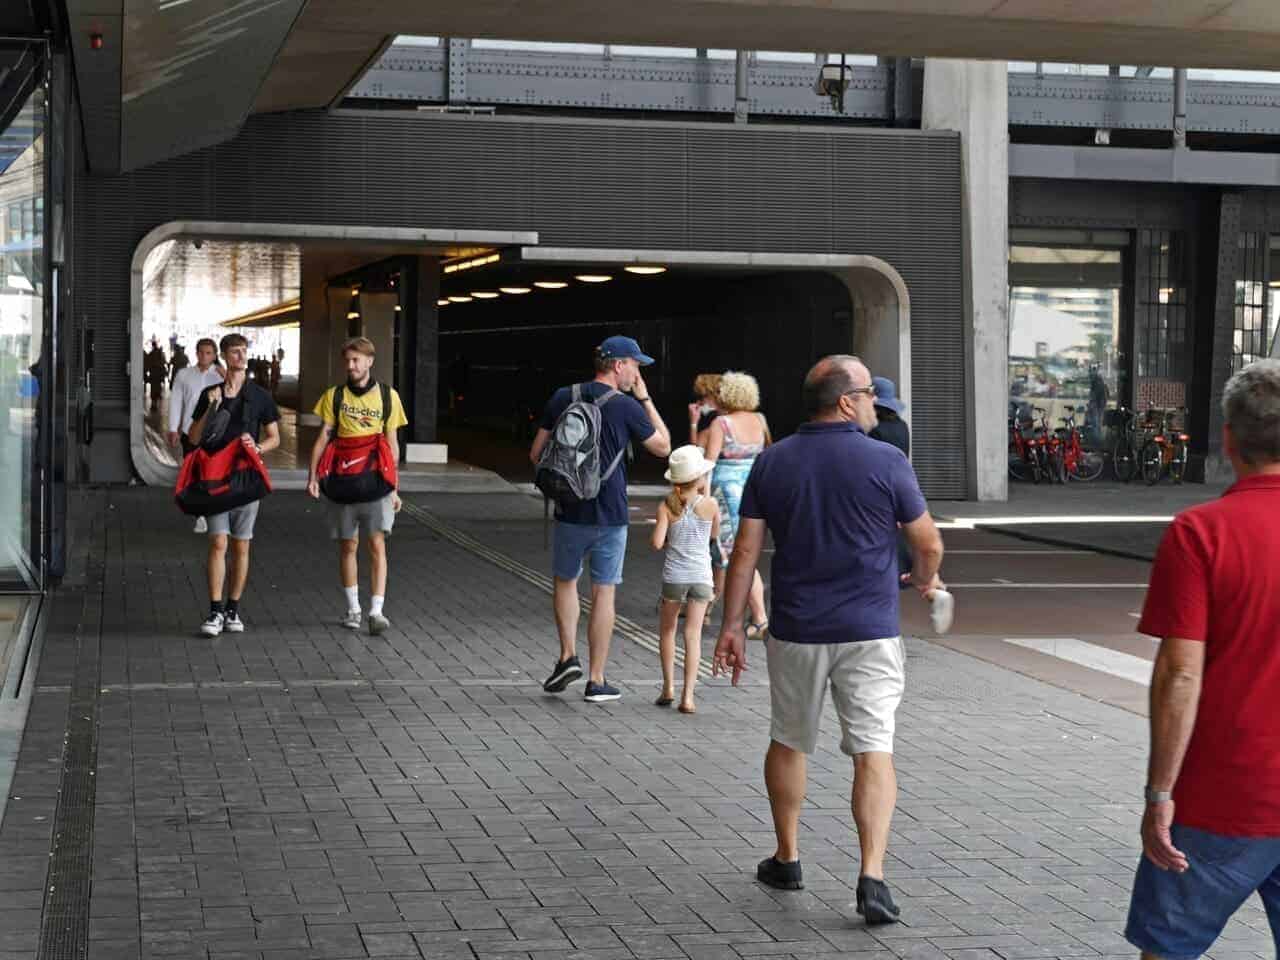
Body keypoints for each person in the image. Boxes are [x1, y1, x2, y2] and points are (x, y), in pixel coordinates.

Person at [712, 354, 944, 926]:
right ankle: (872, 876)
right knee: (873, 748)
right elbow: (929, 541)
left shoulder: (774, 461)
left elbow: (745, 553)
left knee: (789, 740)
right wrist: (927, 577)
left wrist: (732, 626)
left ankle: (787, 857)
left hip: (796, 629)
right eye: (868, 393)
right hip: (869, 631)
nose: (874, 403)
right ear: (845, 401)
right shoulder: (887, 461)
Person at [1124, 359, 1280, 959]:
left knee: (1168, 948)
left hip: (1223, 796)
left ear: (1228, 438)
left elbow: (1179, 673)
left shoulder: (1201, 533)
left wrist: (1159, 793)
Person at [530, 335, 672, 703]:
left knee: (565, 581)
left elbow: (536, 454)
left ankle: (566, 657)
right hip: (610, 512)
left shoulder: (564, 396)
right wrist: (644, 397)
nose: (637, 373)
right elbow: (664, 447)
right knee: (603, 590)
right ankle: (596, 679)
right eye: (636, 366)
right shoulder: (627, 407)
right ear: (618, 365)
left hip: (569, 509)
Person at [306, 337, 408, 635]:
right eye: (348, 361)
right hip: (343, 480)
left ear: (370, 361)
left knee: (377, 544)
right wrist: (312, 477)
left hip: (376, 481)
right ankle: (353, 609)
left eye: (356, 360)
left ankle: (376, 611)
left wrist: (395, 487)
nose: (351, 366)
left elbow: (392, 445)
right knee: (347, 545)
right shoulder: (334, 396)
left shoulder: (389, 397)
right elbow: (323, 437)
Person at [187, 333, 281, 637]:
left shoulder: (261, 396)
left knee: (242, 545)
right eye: (235, 352)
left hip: (246, 478)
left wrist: (257, 448)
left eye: (244, 352)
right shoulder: (210, 394)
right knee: (218, 542)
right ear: (224, 357)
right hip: (215, 478)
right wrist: (209, 409)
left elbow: (275, 438)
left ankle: (233, 609)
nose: (241, 357)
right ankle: (214, 611)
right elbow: (193, 437)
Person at [651, 445, 719, 715]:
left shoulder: (666, 506)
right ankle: (688, 697)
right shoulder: (710, 505)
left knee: (667, 631)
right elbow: (713, 536)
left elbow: (657, 543)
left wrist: (669, 540)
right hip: (702, 577)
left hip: (674, 577)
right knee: (693, 634)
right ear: (700, 479)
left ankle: (667, 687)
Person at [705, 371, 770, 637]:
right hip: (754, 488)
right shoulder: (760, 420)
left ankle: (759, 618)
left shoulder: (721, 424)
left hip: (727, 493)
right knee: (746, 550)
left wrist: (705, 498)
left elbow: (708, 463)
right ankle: (714, 607)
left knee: (734, 553)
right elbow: (767, 453)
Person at [168, 338, 226, 533]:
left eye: (209, 353)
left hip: (214, 433)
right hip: (189, 432)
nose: (204, 356)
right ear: (196, 353)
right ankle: (200, 514)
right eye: (201, 352)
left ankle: (213, 511)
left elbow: (235, 395)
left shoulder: (220, 377)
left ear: (215, 355)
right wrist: (173, 428)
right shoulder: (184, 375)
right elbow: (176, 401)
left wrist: (225, 375)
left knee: (211, 472)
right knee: (193, 472)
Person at [869, 377, 912, 585]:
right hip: (899, 481)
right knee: (894, 528)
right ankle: (902, 569)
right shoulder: (902, 426)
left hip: (878, 482)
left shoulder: (875, 430)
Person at [145, 339, 168, 412]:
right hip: (159, 373)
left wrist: (147, 370)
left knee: (153, 389)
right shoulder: (160, 353)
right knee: (157, 388)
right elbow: (164, 362)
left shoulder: (151, 354)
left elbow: (147, 363)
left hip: (154, 373)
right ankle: (155, 403)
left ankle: (154, 404)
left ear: (152, 345)